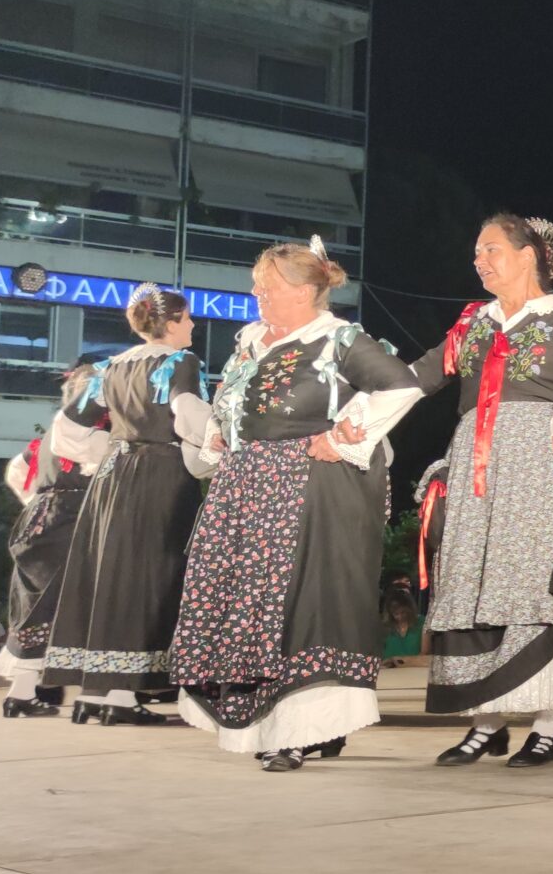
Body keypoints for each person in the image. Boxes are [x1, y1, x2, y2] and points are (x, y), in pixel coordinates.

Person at [171, 241, 423, 771]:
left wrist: (345, 437)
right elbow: (232, 401)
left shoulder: (336, 339)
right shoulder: (251, 339)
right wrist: (219, 432)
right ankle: (271, 724)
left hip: (308, 484)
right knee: (248, 603)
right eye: (258, 284)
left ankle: (298, 730)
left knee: (299, 606)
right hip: (246, 485)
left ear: (306, 291)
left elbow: (401, 386)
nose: (257, 293)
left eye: (269, 285)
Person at [404, 214, 553, 770]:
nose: (479, 260)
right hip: (477, 462)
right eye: (476, 252)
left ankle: (548, 727)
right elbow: (416, 377)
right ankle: (486, 722)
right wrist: (351, 403)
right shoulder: (473, 323)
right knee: (477, 581)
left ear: (528, 255)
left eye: (491, 249)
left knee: (531, 582)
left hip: (540, 460)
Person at [42, 288, 219, 726]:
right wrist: (222, 443)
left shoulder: (110, 367)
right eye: (187, 318)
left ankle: (96, 693)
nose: (193, 325)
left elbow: (66, 431)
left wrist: (110, 448)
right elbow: (187, 412)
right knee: (149, 577)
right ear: (171, 322)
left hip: (112, 477)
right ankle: (119, 696)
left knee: (111, 573)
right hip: (159, 475)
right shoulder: (180, 361)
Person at [0, 363, 97, 716]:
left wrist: (34, 500)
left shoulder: (50, 437)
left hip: (38, 521)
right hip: (70, 521)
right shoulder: (91, 433)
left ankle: (21, 694)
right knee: (80, 605)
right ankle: (95, 694)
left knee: (34, 607)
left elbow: (16, 470)